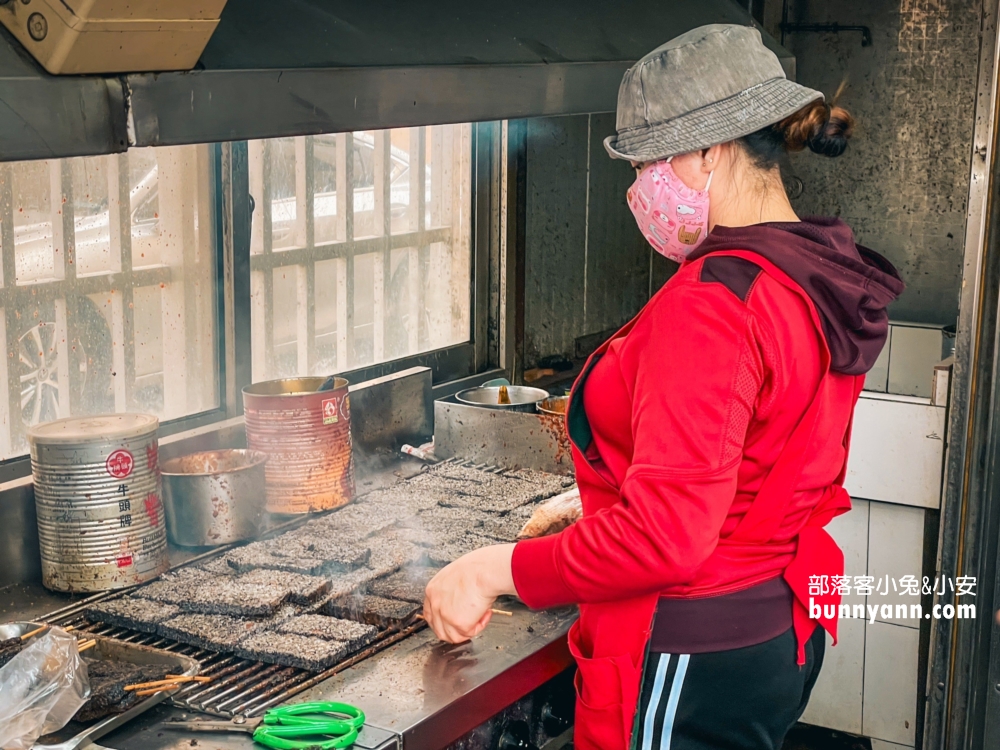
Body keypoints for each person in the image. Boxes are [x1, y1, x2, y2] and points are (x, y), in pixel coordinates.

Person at [423, 23, 904, 750]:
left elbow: (665, 539)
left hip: (691, 647)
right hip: (777, 628)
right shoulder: (813, 271)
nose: (638, 189)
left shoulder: (713, 303)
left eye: (647, 164)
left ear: (710, 151)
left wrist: (493, 570)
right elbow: (751, 456)